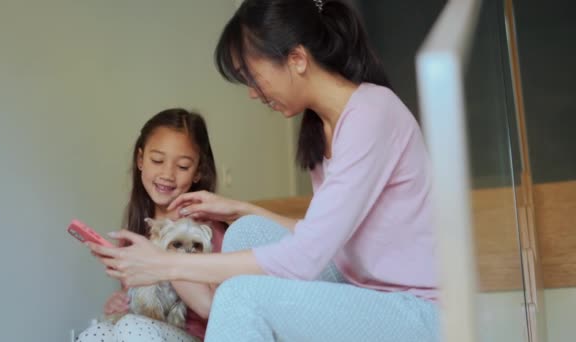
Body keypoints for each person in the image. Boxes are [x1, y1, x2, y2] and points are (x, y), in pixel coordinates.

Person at [89, 1, 439, 341]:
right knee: (247, 231)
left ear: (297, 59)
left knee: (242, 297)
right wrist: (241, 210)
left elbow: (305, 256)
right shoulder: (323, 126)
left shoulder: (371, 115)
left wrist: (167, 264)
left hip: (415, 310)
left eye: (252, 77)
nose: (253, 94)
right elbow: (322, 236)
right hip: (361, 285)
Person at [79, 108, 225, 342]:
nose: (167, 174)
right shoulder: (137, 227)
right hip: (143, 327)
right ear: (140, 160)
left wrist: (161, 256)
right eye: (157, 160)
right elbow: (137, 295)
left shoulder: (205, 230)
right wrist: (120, 300)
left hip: (194, 337)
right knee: (95, 334)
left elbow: (210, 307)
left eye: (183, 166)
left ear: (198, 171)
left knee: (132, 327)